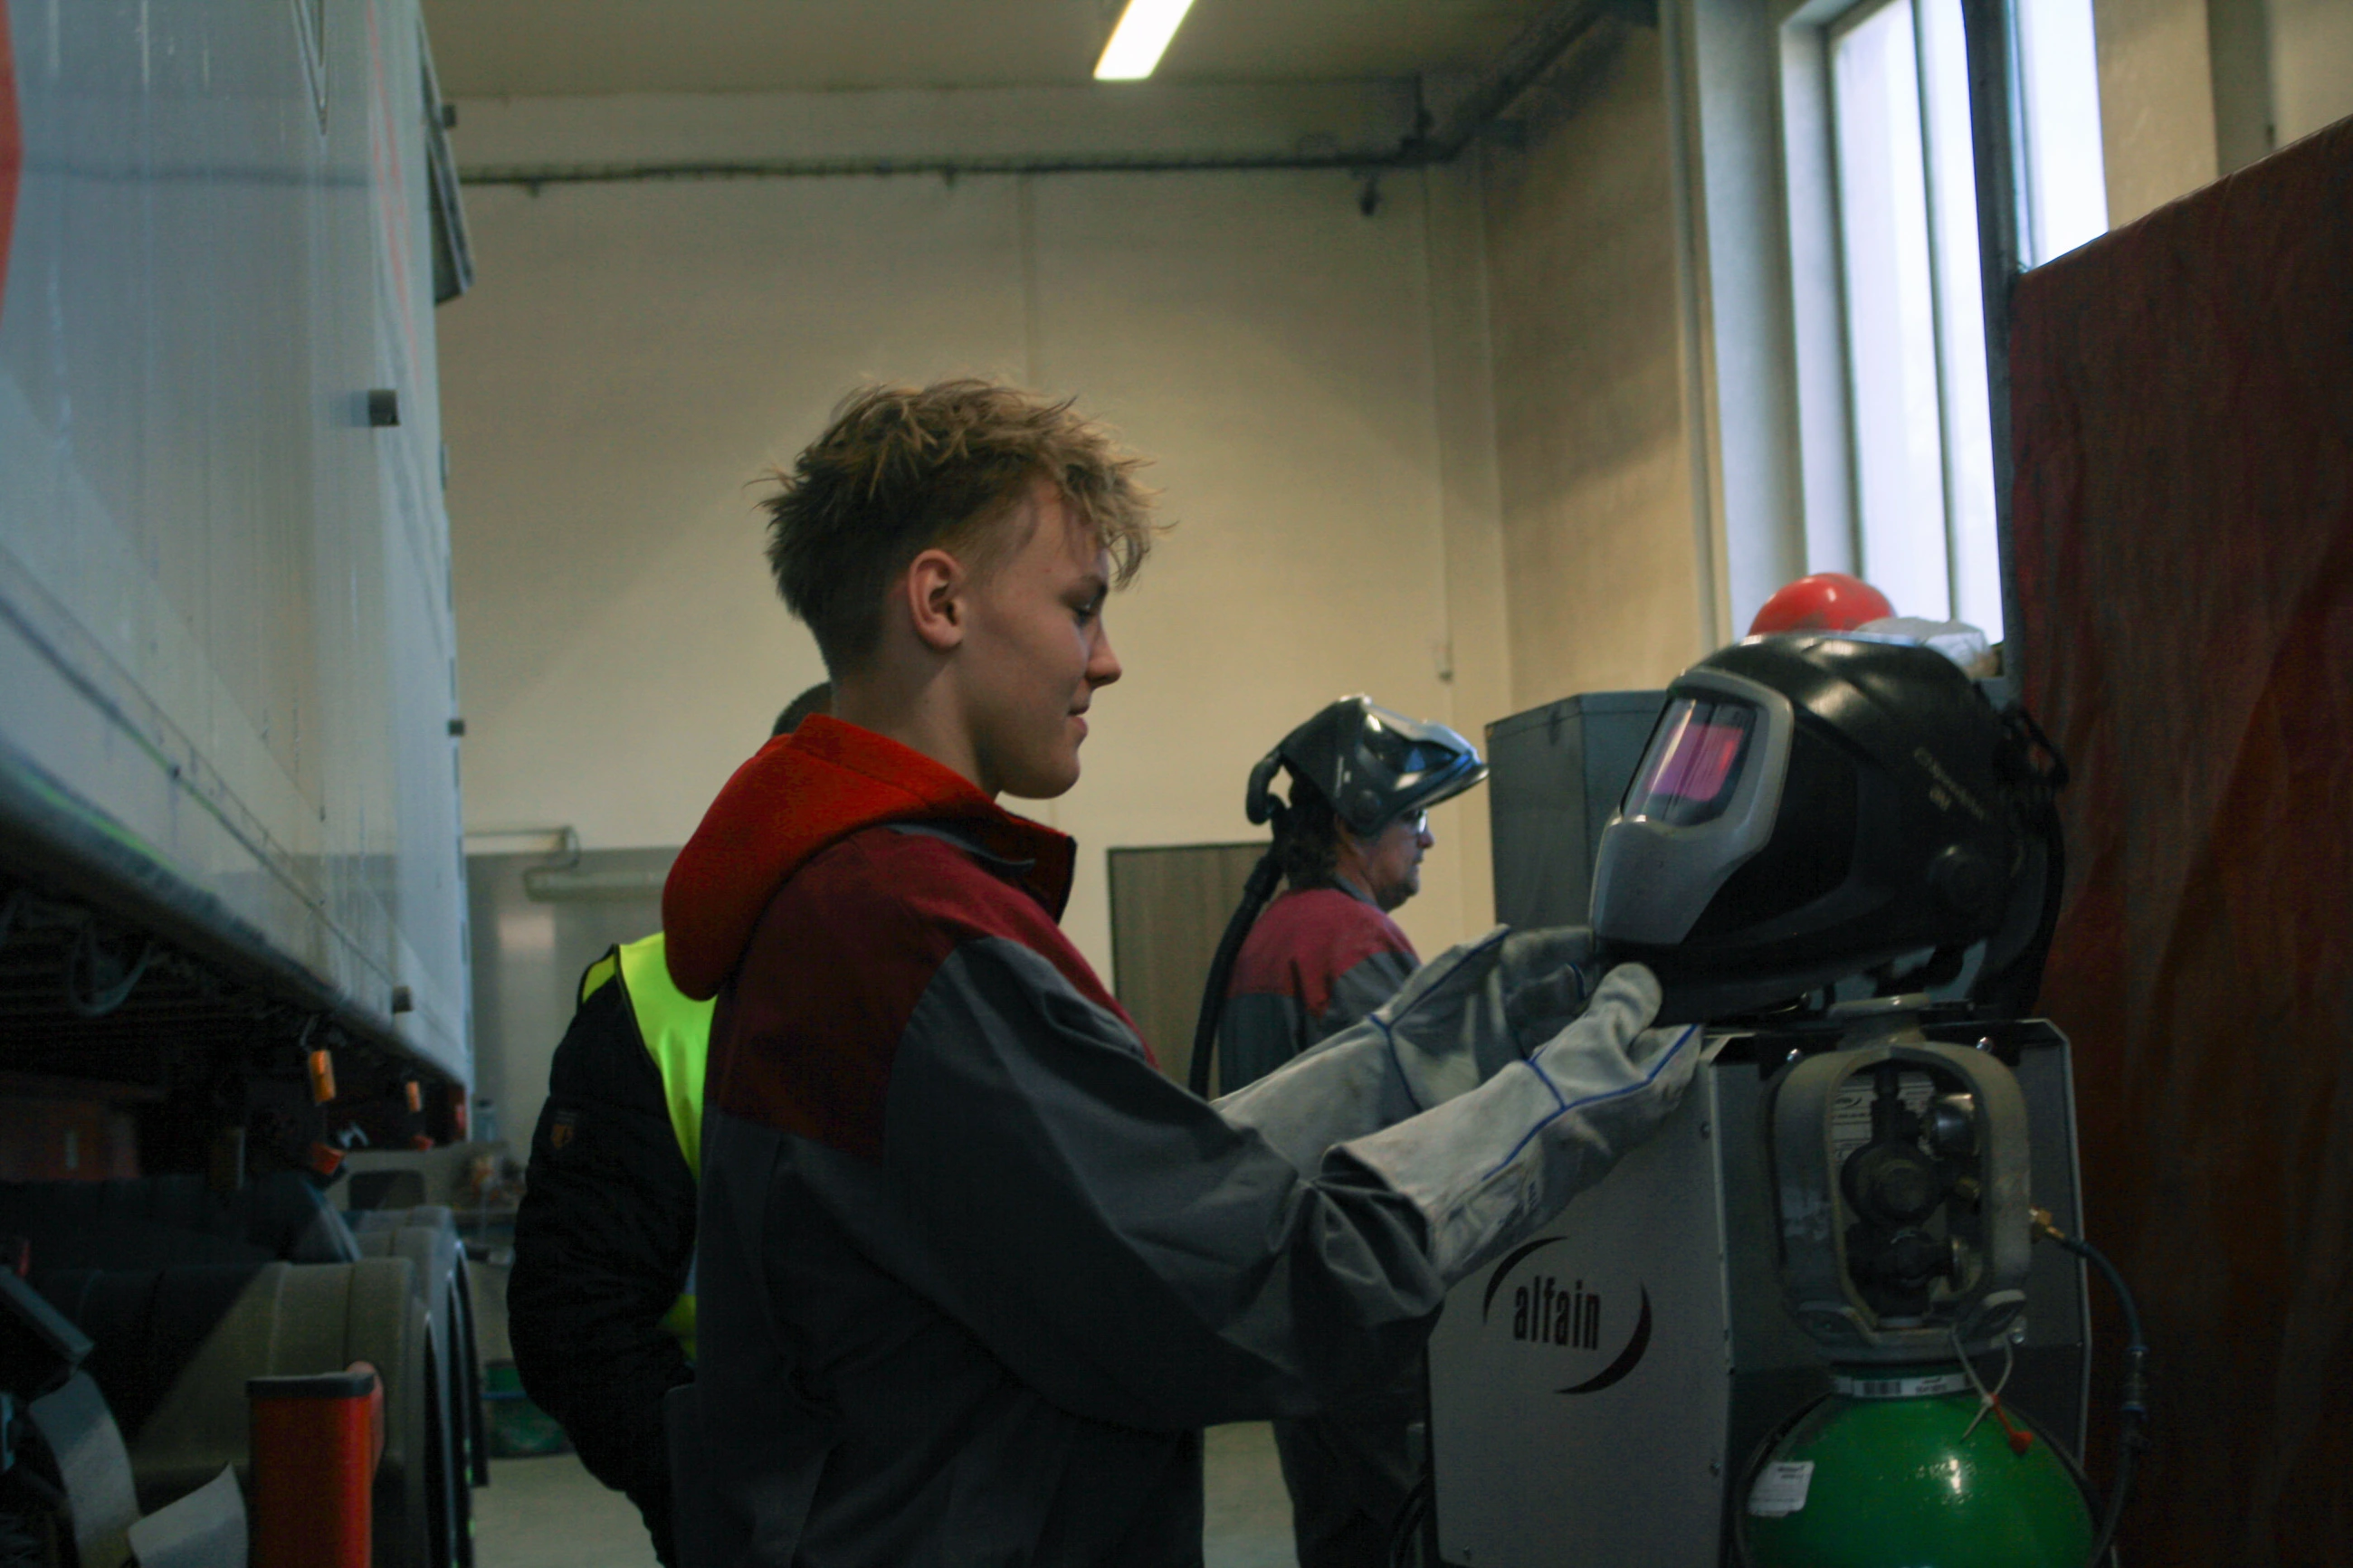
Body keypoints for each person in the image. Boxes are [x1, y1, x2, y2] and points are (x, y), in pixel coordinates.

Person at [661, 378, 1698, 1566]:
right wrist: (1557, 1104)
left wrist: (1407, 1053)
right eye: (1080, 607)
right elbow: (1243, 1285)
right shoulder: (905, 928)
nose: (1105, 661)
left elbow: (1121, 1196)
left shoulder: (846, 898)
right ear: (939, 601)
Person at [507, 681, 828, 1564]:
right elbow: (576, 1319)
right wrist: (712, 1496)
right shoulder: (650, 1005)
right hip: (764, 1507)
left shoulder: (971, 971)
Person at [1205, 698, 1486, 1568]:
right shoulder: (1353, 939)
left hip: (1300, 1316)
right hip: (1368, 1316)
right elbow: (1429, 1122)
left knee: (1339, 1538)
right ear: (1355, 822)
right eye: (1415, 816)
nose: (1427, 838)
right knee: (1417, 1532)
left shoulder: (1273, 934)